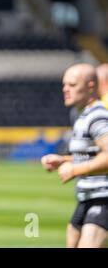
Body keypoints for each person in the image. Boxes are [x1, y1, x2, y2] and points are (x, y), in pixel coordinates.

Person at [41, 63, 108, 248]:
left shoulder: (97, 116)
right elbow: (94, 154)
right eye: (64, 85)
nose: (65, 90)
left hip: (103, 199)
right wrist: (63, 160)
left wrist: (76, 169)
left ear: (91, 86)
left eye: (72, 85)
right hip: (86, 198)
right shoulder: (80, 115)